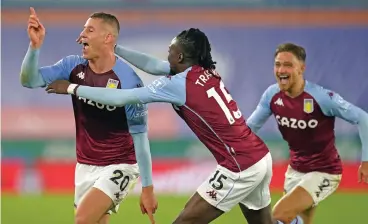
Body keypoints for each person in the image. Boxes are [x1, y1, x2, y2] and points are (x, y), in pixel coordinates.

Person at [47, 28, 275, 224]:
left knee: (184, 221)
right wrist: (115, 49)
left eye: (171, 51)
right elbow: (153, 65)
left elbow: (121, 98)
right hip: (260, 157)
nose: (167, 55)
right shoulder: (204, 71)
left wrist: (71, 88)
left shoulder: (178, 84)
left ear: (181, 56)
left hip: (239, 165)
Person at [20, 7, 157, 224]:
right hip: (84, 165)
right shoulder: (73, 66)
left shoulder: (129, 81)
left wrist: (148, 189)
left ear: (108, 38)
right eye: (83, 29)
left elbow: (140, 138)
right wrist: (34, 47)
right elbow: (30, 80)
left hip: (120, 164)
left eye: (90, 30)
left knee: (82, 220)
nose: (82, 34)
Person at [245, 43, 368, 224]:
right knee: (298, 220)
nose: (281, 70)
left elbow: (363, 118)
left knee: (278, 216)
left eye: (288, 65)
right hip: (295, 170)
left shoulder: (322, 98)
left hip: (324, 172)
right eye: (278, 64)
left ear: (301, 68)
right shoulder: (272, 95)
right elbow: (251, 127)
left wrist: (366, 161)